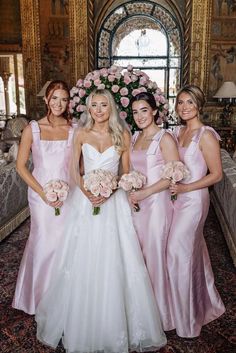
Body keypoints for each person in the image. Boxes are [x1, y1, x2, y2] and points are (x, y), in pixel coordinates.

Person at [35, 89, 167, 353]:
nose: (97, 110)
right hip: (84, 203)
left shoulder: (122, 135)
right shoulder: (81, 134)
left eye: (103, 105)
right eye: (93, 105)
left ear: (111, 108)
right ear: (88, 108)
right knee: (82, 259)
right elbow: (74, 168)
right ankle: (80, 321)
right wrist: (87, 192)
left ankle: (113, 325)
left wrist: (110, 191)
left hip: (113, 204)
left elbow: (126, 172)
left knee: (114, 260)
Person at [167, 84, 225, 337]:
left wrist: (186, 187)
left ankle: (188, 320)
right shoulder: (177, 132)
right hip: (175, 200)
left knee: (177, 252)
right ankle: (200, 303)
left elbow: (217, 175)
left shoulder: (206, 135)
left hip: (193, 201)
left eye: (189, 102)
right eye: (180, 102)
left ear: (199, 105)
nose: (184, 107)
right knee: (191, 253)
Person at [12, 80, 74, 315]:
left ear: (69, 102)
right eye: (55, 98)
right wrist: (43, 193)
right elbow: (20, 166)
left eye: (64, 99)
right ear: (46, 99)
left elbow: (77, 166)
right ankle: (38, 298)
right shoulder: (32, 129)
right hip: (40, 195)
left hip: (68, 194)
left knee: (65, 243)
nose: (59, 103)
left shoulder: (73, 128)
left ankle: (63, 298)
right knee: (44, 241)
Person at [129, 92, 180, 331]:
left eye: (144, 110)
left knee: (155, 257)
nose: (139, 116)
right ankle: (141, 312)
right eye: (135, 111)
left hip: (157, 206)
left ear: (154, 112)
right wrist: (130, 188)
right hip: (137, 206)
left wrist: (145, 193)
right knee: (138, 258)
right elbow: (131, 170)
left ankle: (160, 317)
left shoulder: (165, 138)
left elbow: (172, 174)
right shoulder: (135, 137)